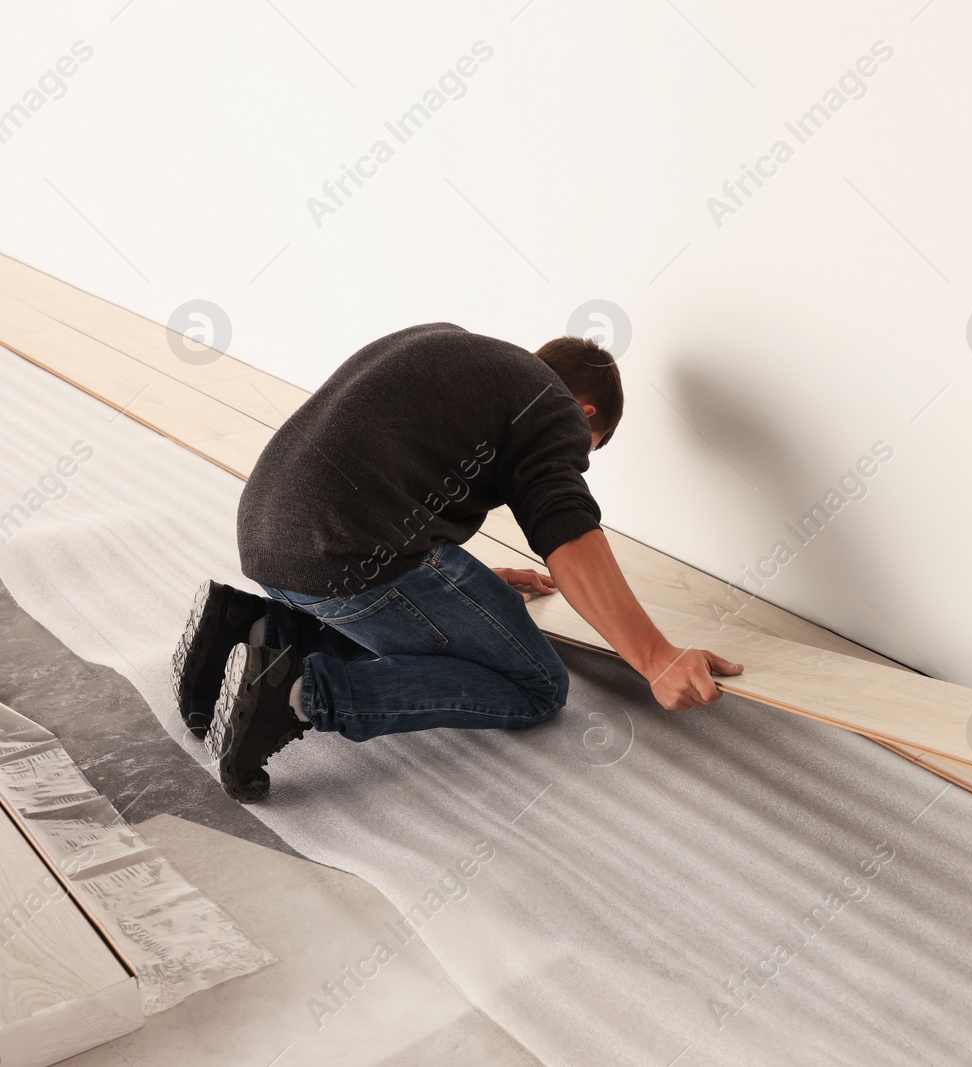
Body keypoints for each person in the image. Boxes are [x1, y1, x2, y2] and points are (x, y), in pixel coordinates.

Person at [171, 323, 743, 802]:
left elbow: (382, 470)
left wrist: (472, 586)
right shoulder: (554, 408)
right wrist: (656, 657)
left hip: (268, 539)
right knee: (538, 685)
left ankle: (247, 627)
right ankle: (299, 692)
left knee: (416, 611)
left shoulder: (450, 343)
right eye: (589, 448)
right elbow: (567, 527)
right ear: (585, 413)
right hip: (348, 553)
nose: (577, 457)